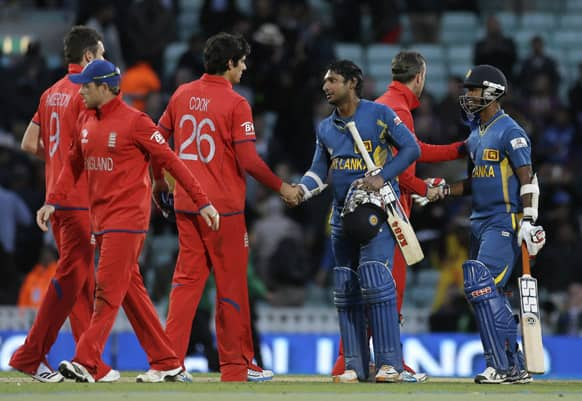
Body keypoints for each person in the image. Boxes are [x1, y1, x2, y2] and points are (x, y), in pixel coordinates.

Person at [35, 59, 220, 383]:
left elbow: (172, 163)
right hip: (101, 221)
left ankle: (87, 361)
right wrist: (52, 200)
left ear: (105, 88)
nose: (81, 91)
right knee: (132, 293)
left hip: (128, 221)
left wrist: (202, 202)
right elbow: (72, 167)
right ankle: (167, 362)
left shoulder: (137, 123)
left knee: (106, 291)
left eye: (87, 86)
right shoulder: (85, 120)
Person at [151, 32, 301, 382]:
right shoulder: (237, 104)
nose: (246, 67)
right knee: (231, 286)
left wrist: (159, 182)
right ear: (229, 63)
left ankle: (168, 363)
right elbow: (248, 159)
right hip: (224, 211)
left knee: (186, 284)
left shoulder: (182, 93)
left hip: (187, 204)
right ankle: (237, 366)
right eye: (242, 60)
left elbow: (157, 140)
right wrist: (282, 187)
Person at [331, 50, 466, 379]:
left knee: (363, 293)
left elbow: (416, 150)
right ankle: (390, 363)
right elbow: (399, 172)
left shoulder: (384, 103)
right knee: (389, 290)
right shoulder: (398, 110)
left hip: (363, 211)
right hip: (387, 215)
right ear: (419, 77)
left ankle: (348, 365)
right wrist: (425, 189)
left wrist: (460, 148)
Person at [296, 59, 421, 383]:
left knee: (377, 282)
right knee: (346, 287)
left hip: (377, 212)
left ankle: (389, 364)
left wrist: (384, 176)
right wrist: (301, 189)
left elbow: (411, 149)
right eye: (325, 81)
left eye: (333, 80)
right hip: (340, 214)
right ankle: (354, 365)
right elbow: (318, 171)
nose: (326, 86)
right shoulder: (326, 127)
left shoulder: (378, 114)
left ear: (352, 82)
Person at [9, 25, 115, 384]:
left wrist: (55, 160)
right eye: (100, 56)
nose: (103, 63)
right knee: (72, 278)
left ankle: (90, 363)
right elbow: (91, 149)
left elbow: (28, 142)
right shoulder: (85, 95)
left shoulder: (51, 92)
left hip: (57, 198)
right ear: (88, 57)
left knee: (82, 282)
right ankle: (31, 354)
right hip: (79, 198)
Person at [434, 64, 547, 384]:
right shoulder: (474, 135)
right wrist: (441, 191)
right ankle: (510, 363)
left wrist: (528, 219)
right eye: (466, 90)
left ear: (492, 93)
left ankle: (506, 365)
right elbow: (473, 181)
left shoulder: (510, 130)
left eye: (473, 90)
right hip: (479, 222)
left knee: (480, 285)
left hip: (505, 220)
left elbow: (528, 178)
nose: (467, 96)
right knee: (484, 292)